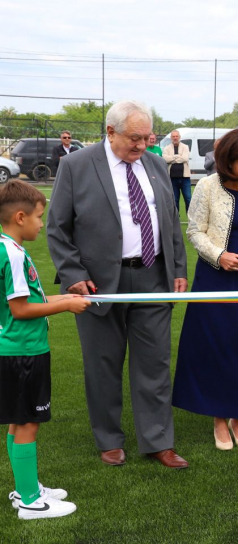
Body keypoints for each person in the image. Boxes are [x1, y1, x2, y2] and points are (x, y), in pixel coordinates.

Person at [47, 100, 190, 469]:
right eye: (135, 138)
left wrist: (177, 267)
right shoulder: (76, 165)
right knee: (103, 364)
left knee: (155, 363)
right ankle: (109, 439)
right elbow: (57, 228)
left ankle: (158, 441)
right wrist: (75, 276)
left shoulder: (157, 164)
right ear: (110, 132)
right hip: (97, 285)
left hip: (152, 278)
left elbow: (170, 223)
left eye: (148, 138)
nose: (142, 146)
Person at [173, 129, 238, 450]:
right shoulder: (206, 186)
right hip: (215, 278)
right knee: (216, 347)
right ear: (227, 162)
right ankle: (219, 418)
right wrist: (219, 256)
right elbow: (195, 231)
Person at [0, 180, 89, 519]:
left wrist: (65, 296)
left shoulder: (9, 248)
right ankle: (29, 501)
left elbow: (25, 301)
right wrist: (66, 307)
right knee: (27, 423)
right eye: (39, 217)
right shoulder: (12, 253)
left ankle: (26, 487)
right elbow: (22, 311)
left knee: (17, 421)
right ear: (20, 217)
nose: (42, 223)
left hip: (17, 349)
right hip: (22, 351)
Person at [163, 130, 192, 214]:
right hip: (172, 178)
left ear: (179, 137)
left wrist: (172, 158)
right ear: (171, 138)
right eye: (173, 136)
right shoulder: (167, 148)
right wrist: (177, 157)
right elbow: (165, 159)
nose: (175, 138)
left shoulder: (185, 147)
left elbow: (185, 158)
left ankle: (190, 217)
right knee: (175, 199)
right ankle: (175, 218)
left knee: (188, 198)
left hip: (185, 178)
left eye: (176, 136)